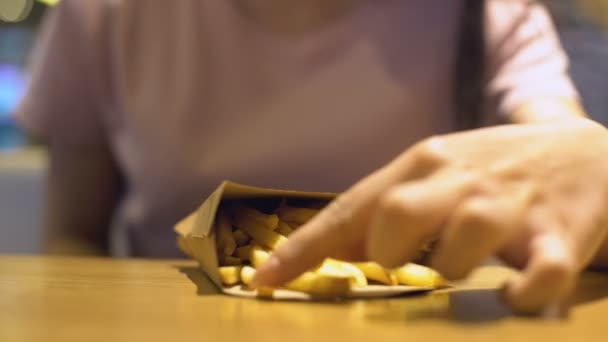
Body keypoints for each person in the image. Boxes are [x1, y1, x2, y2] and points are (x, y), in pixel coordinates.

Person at [17, 0, 608, 314]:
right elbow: (73, 235)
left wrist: (588, 154)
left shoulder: (483, 11)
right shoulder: (105, 12)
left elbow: (556, 144)